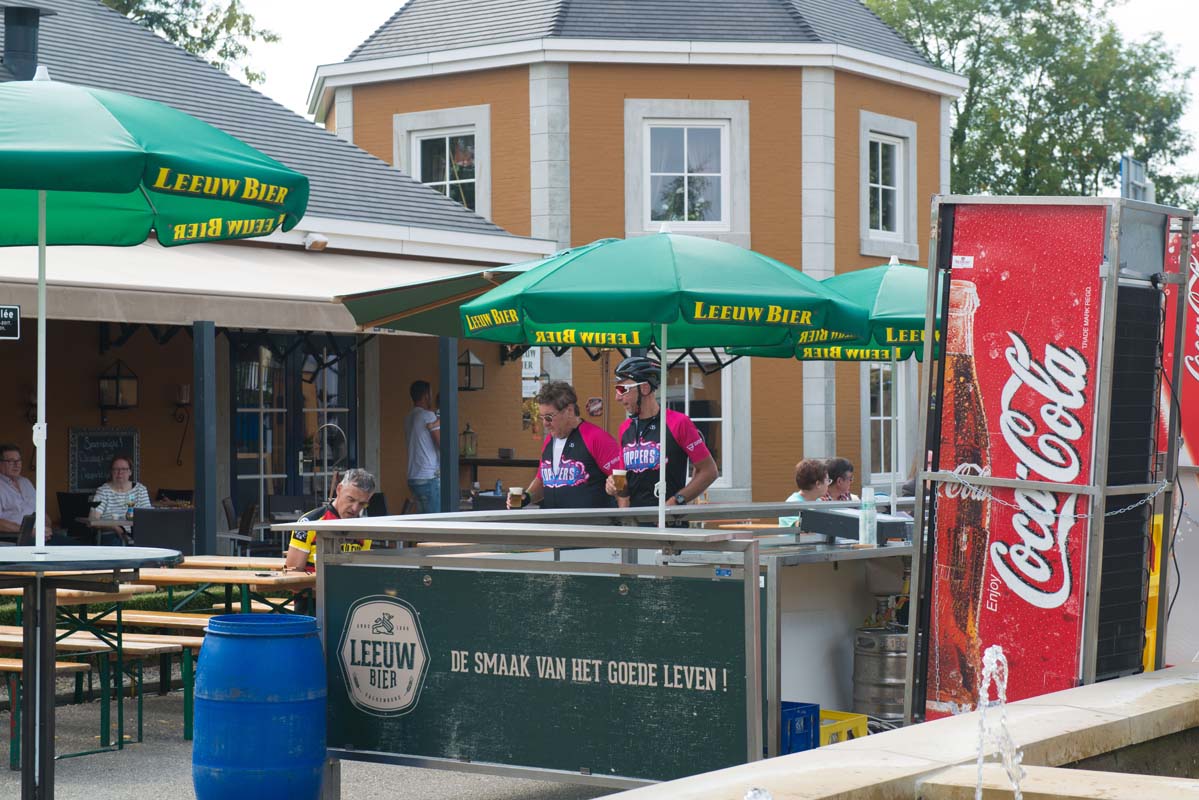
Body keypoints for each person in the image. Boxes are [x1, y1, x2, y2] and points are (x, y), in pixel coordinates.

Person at [604, 356, 718, 518]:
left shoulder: (678, 423)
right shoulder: (625, 428)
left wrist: (676, 501)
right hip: (637, 524)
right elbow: (622, 481)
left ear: (644, 388)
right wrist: (614, 485)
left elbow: (709, 471)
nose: (617, 397)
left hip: (669, 523)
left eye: (622, 390)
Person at [508, 381, 621, 510]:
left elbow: (622, 483)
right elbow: (543, 480)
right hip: (555, 521)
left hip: (589, 521)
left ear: (569, 411)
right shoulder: (549, 440)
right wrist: (526, 496)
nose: (545, 424)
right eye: (541, 418)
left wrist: (624, 516)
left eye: (549, 417)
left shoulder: (596, 438)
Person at [285, 468, 376, 572]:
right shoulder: (309, 522)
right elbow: (292, 573)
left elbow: (363, 570)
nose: (355, 508)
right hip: (313, 582)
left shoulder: (364, 528)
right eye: (351, 499)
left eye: (362, 504)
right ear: (339, 489)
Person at [89, 453, 151, 543]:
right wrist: (114, 527)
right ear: (111, 472)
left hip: (137, 535)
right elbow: (93, 519)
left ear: (130, 472)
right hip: (111, 534)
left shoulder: (140, 490)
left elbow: (148, 517)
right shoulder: (103, 491)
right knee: (115, 542)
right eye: (116, 469)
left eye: (124, 469)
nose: (120, 472)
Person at [404, 379, 441, 513]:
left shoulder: (409, 417)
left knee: (423, 519)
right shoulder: (428, 416)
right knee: (435, 520)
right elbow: (442, 444)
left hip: (413, 476)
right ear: (426, 396)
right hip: (428, 477)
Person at [0, 443, 41, 537]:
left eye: (19, 460)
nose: (17, 464)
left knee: (70, 543)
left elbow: (39, 509)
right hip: (14, 538)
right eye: (11, 461)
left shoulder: (26, 482)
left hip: (38, 534)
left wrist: (46, 526)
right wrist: (29, 531)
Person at [779, 458, 830, 526]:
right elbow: (802, 526)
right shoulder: (792, 504)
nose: (828, 484)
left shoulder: (819, 501)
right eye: (827, 480)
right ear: (818, 484)